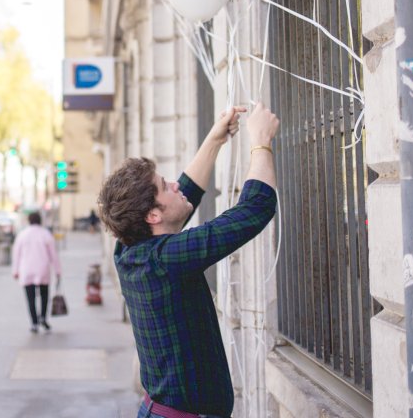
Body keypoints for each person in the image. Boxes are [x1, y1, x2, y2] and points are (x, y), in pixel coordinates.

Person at [98, 102, 280, 418]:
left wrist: (215, 138)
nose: (174, 185)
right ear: (152, 215)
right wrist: (261, 142)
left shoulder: (127, 251)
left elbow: (185, 195)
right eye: (164, 186)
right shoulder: (165, 260)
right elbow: (255, 209)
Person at [12, 211, 62, 333]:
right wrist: (58, 270)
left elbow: (16, 254)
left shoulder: (22, 235)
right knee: (44, 296)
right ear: (40, 220)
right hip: (42, 269)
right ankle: (43, 319)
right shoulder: (45, 234)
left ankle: (34, 323)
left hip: (27, 270)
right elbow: (53, 255)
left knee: (31, 298)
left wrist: (15, 270)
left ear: (29, 221)